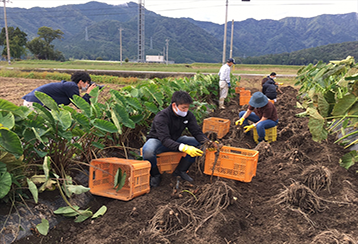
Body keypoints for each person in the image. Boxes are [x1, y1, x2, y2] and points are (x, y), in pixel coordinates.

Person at [142, 91, 211, 187]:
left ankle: (181, 170)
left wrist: (208, 143)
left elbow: (197, 132)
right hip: (158, 141)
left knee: (200, 144)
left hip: (175, 140)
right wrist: (185, 148)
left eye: (187, 107)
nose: (186, 110)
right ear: (174, 105)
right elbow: (165, 139)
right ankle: (155, 175)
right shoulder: (162, 117)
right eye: (183, 108)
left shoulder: (188, 115)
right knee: (148, 151)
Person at [22, 71, 97, 107]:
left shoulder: (69, 86)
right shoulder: (72, 86)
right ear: (81, 82)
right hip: (35, 103)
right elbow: (80, 105)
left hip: (31, 101)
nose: (87, 85)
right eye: (87, 83)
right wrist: (88, 93)